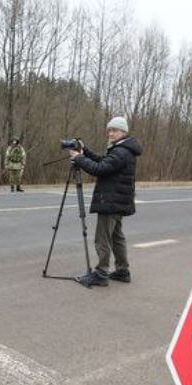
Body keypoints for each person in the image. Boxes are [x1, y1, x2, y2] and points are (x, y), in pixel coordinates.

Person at [68, 116, 141, 288]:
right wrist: (85, 151)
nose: (111, 133)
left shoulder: (121, 151)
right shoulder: (122, 149)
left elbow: (100, 169)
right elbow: (103, 161)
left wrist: (79, 159)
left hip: (111, 201)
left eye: (115, 130)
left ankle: (101, 274)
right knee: (116, 237)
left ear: (123, 132)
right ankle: (123, 271)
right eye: (109, 130)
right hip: (117, 201)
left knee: (102, 239)